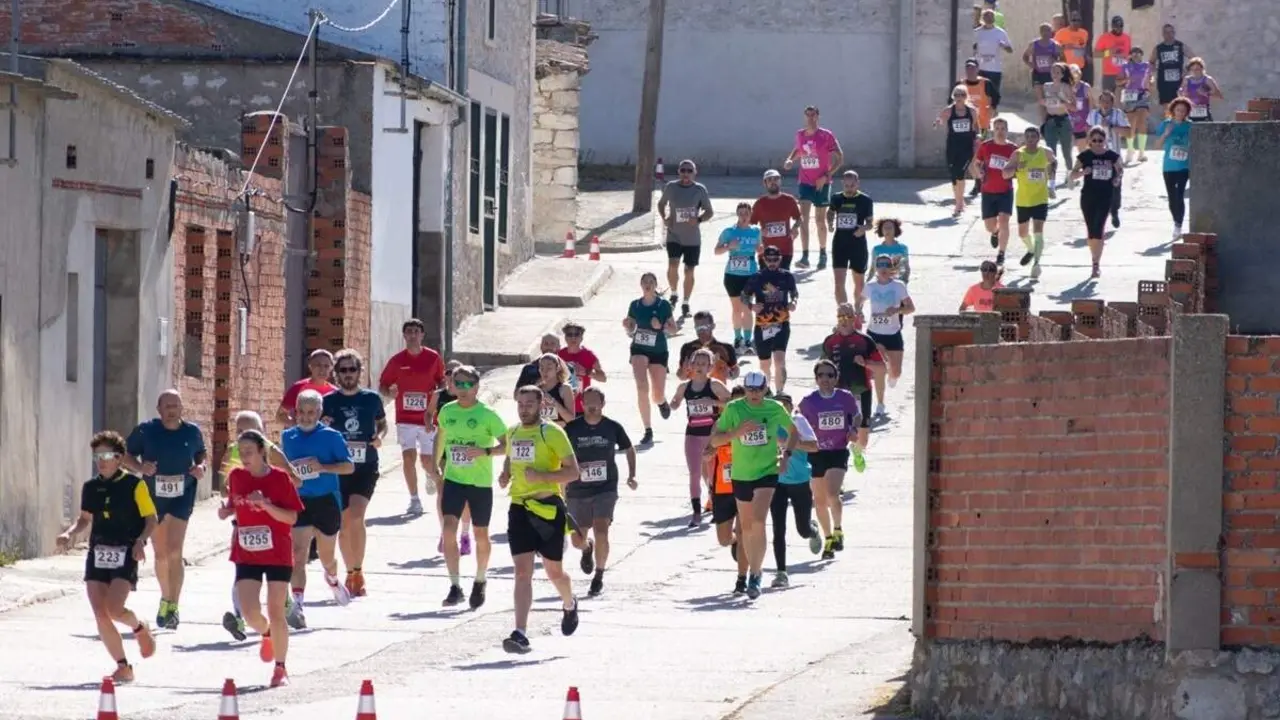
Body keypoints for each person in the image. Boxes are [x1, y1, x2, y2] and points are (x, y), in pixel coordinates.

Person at [57, 431, 158, 683]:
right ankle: (123, 666)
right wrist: (69, 533)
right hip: (98, 551)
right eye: (97, 456)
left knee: (114, 609)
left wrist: (141, 540)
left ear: (120, 458)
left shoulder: (135, 485)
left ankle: (138, 626)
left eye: (107, 455)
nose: (101, 461)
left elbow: (151, 519)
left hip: (126, 550)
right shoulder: (91, 487)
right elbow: (85, 519)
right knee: (100, 613)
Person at [499, 386, 583, 654]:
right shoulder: (512, 432)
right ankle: (520, 633)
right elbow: (511, 460)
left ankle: (569, 604)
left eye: (529, 404)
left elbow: (573, 472)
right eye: (520, 404)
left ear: (540, 405)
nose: (524, 408)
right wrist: (505, 474)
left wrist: (543, 478)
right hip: (519, 507)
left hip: (548, 509)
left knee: (553, 572)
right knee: (522, 573)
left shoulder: (552, 433)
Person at [219, 429, 304, 688]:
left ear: (261, 453)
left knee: (276, 610)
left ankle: (280, 668)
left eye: (249, 452)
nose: (244, 457)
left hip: (278, 551)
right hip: (247, 552)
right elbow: (236, 504)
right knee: (249, 611)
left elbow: (291, 518)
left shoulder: (279, 479)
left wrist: (266, 505)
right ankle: (266, 633)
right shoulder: (236, 477)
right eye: (240, 452)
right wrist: (227, 511)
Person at [123, 389, 207, 631]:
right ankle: (165, 598)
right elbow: (125, 455)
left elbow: (201, 453)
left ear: (182, 409)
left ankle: (173, 606)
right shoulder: (146, 431)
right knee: (161, 553)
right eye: (167, 406)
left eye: (176, 406)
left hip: (182, 493)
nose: (171, 410)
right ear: (159, 410)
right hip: (154, 496)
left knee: (175, 551)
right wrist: (141, 466)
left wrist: (200, 466)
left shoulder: (192, 432)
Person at [710, 371, 796, 600]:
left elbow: (793, 431)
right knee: (747, 529)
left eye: (759, 389)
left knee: (758, 521)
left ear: (766, 388)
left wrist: (786, 455)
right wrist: (736, 432)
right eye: (750, 389)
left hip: (767, 472)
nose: (754, 394)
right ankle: (752, 569)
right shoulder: (734, 409)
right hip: (741, 475)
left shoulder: (775, 408)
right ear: (745, 388)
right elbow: (716, 440)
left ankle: (755, 575)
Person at [434, 364, 508, 610]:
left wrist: (485, 451)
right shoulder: (447, 410)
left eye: (468, 384)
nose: (463, 389)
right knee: (448, 530)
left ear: (476, 387)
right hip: (454, 479)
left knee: (480, 535)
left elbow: (507, 444)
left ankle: (480, 579)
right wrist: (435, 465)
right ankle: (455, 586)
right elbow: (441, 436)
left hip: (479, 483)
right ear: (452, 386)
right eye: (459, 384)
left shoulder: (487, 415)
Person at [280, 389, 355, 629]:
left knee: (326, 557)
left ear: (319, 413)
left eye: (311, 412)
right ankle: (298, 604)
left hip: (326, 500)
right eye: (301, 412)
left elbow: (348, 468)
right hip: (299, 501)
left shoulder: (332, 437)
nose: (306, 417)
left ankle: (332, 579)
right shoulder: (287, 437)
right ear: (295, 412)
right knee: (298, 553)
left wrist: (321, 466)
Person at [322, 349, 387, 598]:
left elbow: (382, 423)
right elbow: (318, 429)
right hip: (339, 469)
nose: (348, 374)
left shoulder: (371, 399)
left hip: (365, 466)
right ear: (336, 373)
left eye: (353, 369)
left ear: (360, 371)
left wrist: (379, 438)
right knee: (344, 523)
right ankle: (350, 573)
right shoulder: (328, 401)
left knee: (356, 517)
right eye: (343, 370)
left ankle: (358, 570)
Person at [565, 387, 637, 597]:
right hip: (577, 489)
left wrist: (632, 475)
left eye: (596, 402)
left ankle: (599, 575)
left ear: (603, 403)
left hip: (605, 488)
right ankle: (587, 548)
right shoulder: (572, 428)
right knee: (577, 540)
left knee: (601, 529)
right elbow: (559, 453)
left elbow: (629, 449)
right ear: (582, 404)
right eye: (588, 402)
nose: (592, 406)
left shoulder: (612, 427)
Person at [378, 318, 446, 517]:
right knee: (408, 457)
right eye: (409, 332)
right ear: (404, 335)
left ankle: (430, 476)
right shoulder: (397, 361)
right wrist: (389, 393)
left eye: (416, 331)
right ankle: (414, 500)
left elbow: (442, 380)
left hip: (427, 417)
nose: (413, 335)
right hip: (405, 417)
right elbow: (383, 385)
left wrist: (437, 393)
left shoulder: (433, 358)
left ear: (422, 335)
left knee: (427, 461)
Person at [798, 361, 863, 561]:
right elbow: (797, 422)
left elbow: (857, 416)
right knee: (819, 501)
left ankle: (838, 530)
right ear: (816, 379)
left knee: (832, 493)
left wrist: (853, 429)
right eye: (821, 376)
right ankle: (828, 540)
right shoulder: (808, 401)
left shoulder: (845, 397)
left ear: (836, 378)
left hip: (837, 451)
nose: (825, 379)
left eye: (829, 375)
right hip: (816, 452)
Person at [670, 348, 731, 526]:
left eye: (704, 364)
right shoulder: (684, 387)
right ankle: (696, 513)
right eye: (697, 363)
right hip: (693, 434)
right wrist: (670, 404)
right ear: (691, 365)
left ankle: (717, 506)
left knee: (712, 474)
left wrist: (713, 402)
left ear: (710, 367)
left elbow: (732, 402)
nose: (699, 367)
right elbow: (675, 403)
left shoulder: (715, 385)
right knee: (695, 474)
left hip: (712, 434)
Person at [769, 392, 822, 588]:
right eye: (778, 406)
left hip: (799, 480)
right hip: (776, 482)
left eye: (785, 406)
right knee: (778, 528)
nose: (782, 410)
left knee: (802, 529)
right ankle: (781, 572)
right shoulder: (769, 421)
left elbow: (814, 446)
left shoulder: (798, 421)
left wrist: (791, 444)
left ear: (791, 408)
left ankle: (812, 530)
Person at [820, 303, 879, 473]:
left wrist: (866, 363)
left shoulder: (864, 340)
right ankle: (837, 469)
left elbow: (882, 367)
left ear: (855, 318)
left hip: (860, 391)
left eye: (847, 316)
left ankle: (857, 451)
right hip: (837, 393)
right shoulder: (830, 341)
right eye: (840, 317)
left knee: (863, 437)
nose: (844, 320)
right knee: (837, 433)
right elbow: (821, 365)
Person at [783, 106, 843, 270]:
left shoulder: (826, 135)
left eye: (813, 115)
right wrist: (790, 159)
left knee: (819, 219)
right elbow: (798, 149)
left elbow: (840, 157)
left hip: (822, 183)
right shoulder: (800, 134)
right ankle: (805, 256)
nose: (810, 118)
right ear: (804, 117)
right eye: (807, 115)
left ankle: (823, 254)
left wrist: (827, 176)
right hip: (805, 182)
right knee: (803, 218)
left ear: (818, 116)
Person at [623, 272, 677, 447]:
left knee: (657, 394)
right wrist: (627, 326)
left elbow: (673, 329)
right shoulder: (635, 305)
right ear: (640, 285)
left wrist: (660, 326)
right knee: (641, 387)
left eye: (651, 282)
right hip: (638, 348)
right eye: (645, 282)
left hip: (658, 351)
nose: (648, 285)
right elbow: (630, 329)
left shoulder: (663, 305)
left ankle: (662, 402)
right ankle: (648, 430)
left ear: (655, 285)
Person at [705, 386, 750, 593]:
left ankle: (741, 579)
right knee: (723, 539)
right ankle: (733, 542)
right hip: (723, 487)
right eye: (735, 403)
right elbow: (709, 449)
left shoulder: (753, 424)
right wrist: (709, 452)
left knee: (744, 534)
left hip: (746, 484)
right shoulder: (720, 425)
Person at [657, 159, 714, 318]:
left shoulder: (700, 189)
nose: (686, 174)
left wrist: (699, 220)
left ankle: (686, 302)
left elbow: (709, 212)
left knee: (689, 270)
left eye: (690, 171)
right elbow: (661, 204)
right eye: (683, 170)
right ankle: (674, 293)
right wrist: (665, 217)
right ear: (678, 172)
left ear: (695, 173)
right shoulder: (671, 187)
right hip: (674, 234)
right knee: (673, 264)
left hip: (692, 238)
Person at [1001, 125, 1057, 278]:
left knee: (1038, 231)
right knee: (1022, 233)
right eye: (1028, 137)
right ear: (1024, 139)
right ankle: (1031, 249)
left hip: (1041, 198)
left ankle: (1037, 264)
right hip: (1024, 199)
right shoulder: (1018, 154)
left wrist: (1052, 186)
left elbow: (1054, 164)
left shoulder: (1046, 152)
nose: (1031, 140)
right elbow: (1005, 174)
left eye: (1034, 137)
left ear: (1039, 138)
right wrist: (1017, 168)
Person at [862, 255, 914, 418]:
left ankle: (892, 375)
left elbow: (911, 308)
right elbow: (859, 301)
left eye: (886, 265)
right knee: (880, 369)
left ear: (891, 268)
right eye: (880, 265)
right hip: (874, 333)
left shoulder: (899, 286)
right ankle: (880, 403)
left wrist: (897, 310)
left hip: (893, 333)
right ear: (876, 268)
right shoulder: (870, 286)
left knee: (895, 372)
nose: (883, 269)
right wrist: (858, 312)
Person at [743, 246, 800, 392]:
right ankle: (766, 391)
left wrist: (793, 302)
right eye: (769, 259)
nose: (772, 262)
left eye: (775, 259)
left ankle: (780, 391)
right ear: (764, 259)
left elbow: (794, 293)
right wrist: (751, 306)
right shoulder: (757, 277)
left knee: (780, 361)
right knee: (764, 364)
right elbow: (744, 295)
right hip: (763, 325)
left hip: (781, 323)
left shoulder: (787, 276)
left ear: (780, 259)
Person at [1071, 125, 1125, 279]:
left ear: (1105, 140)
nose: (1097, 143)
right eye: (1094, 140)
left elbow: (1120, 172)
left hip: (1105, 196)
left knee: (1099, 228)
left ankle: (1096, 264)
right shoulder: (1084, 156)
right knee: (1091, 231)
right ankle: (1093, 257)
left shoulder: (1112, 156)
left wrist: (1116, 179)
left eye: (1100, 140)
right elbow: (1072, 176)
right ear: (1089, 141)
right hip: (1088, 196)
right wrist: (1082, 172)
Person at [715, 203, 762, 353]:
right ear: (737, 214)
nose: (743, 216)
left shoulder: (756, 232)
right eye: (741, 213)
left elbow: (761, 249)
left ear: (750, 215)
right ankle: (737, 338)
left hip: (750, 275)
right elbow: (716, 251)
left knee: (747, 307)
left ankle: (748, 340)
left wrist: (760, 250)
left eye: (746, 213)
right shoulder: (729, 232)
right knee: (736, 309)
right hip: (732, 275)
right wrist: (728, 246)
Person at [970, 117, 1017, 267]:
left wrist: (1014, 171)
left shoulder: (1013, 149)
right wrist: (979, 173)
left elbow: (1018, 166)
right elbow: (977, 163)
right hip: (988, 190)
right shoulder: (986, 146)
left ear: (1007, 130)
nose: (1000, 131)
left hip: (1005, 191)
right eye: (997, 128)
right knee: (990, 226)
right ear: (993, 130)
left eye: (1003, 128)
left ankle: (1001, 254)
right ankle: (995, 232)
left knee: (1004, 220)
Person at [826, 170, 874, 307]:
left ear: (858, 184)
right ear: (842, 184)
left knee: (859, 281)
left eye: (852, 186)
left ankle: (858, 312)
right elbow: (830, 212)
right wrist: (829, 223)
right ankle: (843, 314)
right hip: (840, 243)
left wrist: (863, 229)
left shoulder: (866, 200)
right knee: (839, 281)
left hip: (857, 244)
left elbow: (870, 223)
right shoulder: (836, 198)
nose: (849, 189)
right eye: (846, 186)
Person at [1086, 91, 1130, 230]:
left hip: (1114, 155)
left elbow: (1128, 132)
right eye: (1103, 101)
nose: (1105, 104)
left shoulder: (1118, 114)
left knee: (1115, 185)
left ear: (1112, 103)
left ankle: (1114, 211)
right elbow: (1087, 130)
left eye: (1108, 101)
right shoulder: (1093, 114)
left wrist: (1111, 127)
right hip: (1097, 156)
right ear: (1099, 102)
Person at [935, 84, 979, 215]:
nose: (959, 97)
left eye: (962, 95)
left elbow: (977, 127)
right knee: (954, 175)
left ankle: (959, 204)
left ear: (966, 96)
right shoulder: (948, 111)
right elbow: (940, 121)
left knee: (960, 173)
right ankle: (959, 200)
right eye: (956, 95)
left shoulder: (972, 111)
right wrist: (936, 123)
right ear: (953, 96)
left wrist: (978, 137)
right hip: (952, 146)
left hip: (967, 147)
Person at [1155, 98, 1193, 241]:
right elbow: (1157, 146)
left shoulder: (1190, 126)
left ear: (1187, 112)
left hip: (1184, 167)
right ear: (1173, 110)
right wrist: (1166, 134)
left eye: (1183, 111)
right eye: (1178, 110)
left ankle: (1178, 224)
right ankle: (1176, 220)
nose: (1180, 113)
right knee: (1172, 198)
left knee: (1179, 194)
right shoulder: (1165, 124)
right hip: (1169, 166)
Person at [750, 169, 803, 270]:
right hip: (765, 251)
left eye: (776, 179)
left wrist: (795, 228)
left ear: (780, 181)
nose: (773, 182)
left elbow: (799, 218)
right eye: (769, 180)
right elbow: (750, 225)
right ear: (765, 183)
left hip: (785, 250)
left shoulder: (789, 200)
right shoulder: (760, 203)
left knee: (782, 282)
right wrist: (760, 232)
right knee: (765, 283)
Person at [557, 321, 606, 417]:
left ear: (581, 337)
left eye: (576, 334)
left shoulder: (589, 355)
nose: (573, 338)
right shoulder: (559, 355)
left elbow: (603, 378)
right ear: (565, 337)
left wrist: (587, 372)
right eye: (569, 334)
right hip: (563, 404)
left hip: (582, 405)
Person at [677, 310, 738, 384]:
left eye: (704, 327)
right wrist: (684, 371)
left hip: (718, 392)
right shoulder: (687, 348)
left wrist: (729, 374)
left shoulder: (726, 348)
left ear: (713, 326)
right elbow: (681, 376)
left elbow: (735, 371)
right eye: (698, 327)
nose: (701, 330)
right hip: (694, 391)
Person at [1040, 63, 1076, 186]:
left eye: (1057, 72)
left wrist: (1063, 102)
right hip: (1050, 120)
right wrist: (1045, 104)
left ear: (1062, 74)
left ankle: (1070, 175)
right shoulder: (1046, 86)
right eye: (1053, 72)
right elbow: (1041, 102)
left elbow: (1074, 107)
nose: (1054, 75)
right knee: (1050, 151)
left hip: (1063, 120)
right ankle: (1052, 181)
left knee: (1066, 150)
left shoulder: (1066, 87)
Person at [277, 350, 337, 424]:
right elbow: (280, 415)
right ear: (310, 366)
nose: (322, 369)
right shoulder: (298, 387)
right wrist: (297, 427)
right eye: (318, 365)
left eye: (326, 366)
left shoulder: (334, 391)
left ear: (331, 368)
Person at [1117, 47, 1153, 165]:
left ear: (1142, 55)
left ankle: (1142, 152)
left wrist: (1151, 83)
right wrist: (1127, 79)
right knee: (1130, 124)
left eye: (1139, 53)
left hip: (1142, 95)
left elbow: (1150, 78)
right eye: (1134, 53)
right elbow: (1118, 82)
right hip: (1129, 95)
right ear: (1130, 55)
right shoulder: (1125, 67)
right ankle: (1130, 149)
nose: (1136, 55)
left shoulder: (1146, 66)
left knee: (1142, 122)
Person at [972, 9, 1013, 109]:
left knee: (993, 94)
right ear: (983, 18)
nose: (989, 19)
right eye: (986, 16)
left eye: (991, 16)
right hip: (980, 68)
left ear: (994, 18)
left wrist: (1003, 46)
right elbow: (970, 47)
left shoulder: (1000, 32)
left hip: (994, 69)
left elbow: (1010, 50)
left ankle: (992, 113)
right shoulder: (976, 33)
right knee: (979, 93)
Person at [1024, 22, 1063, 118]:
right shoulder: (1033, 44)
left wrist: (1055, 62)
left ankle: (1051, 117)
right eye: (1043, 31)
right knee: (1041, 99)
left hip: (1051, 75)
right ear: (1040, 32)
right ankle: (1043, 122)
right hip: (1038, 74)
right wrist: (1030, 64)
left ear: (1051, 32)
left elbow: (1063, 60)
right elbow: (1025, 56)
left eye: (1048, 31)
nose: (1046, 33)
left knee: (1051, 98)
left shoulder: (1056, 45)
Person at [1154, 25, 1194, 116]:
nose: (1169, 34)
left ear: (1174, 33)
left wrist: (1186, 70)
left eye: (1171, 32)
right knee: (1167, 107)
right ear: (1163, 34)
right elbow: (1151, 62)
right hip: (1164, 82)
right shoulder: (1159, 48)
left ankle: (1180, 126)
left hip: (1178, 81)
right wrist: (1155, 71)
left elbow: (1193, 58)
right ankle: (1168, 126)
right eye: (1167, 32)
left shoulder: (1180, 46)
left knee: (1181, 104)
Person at [534, 352, 577, 426]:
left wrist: (554, 402)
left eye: (549, 368)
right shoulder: (536, 389)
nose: (545, 371)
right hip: (540, 433)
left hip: (559, 433)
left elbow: (571, 419)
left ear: (557, 368)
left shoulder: (565, 388)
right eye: (542, 368)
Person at [1093, 16, 1131, 93]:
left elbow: (1129, 55)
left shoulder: (1127, 38)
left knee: (1122, 101)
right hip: (1108, 75)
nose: (1119, 29)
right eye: (1116, 26)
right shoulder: (1105, 37)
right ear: (1112, 26)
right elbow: (1096, 54)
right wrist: (1109, 53)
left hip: (1123, 74)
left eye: (1121, 26)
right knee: (1108, 98)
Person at [1179, 58, 1224, 122]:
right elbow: (1180, 92)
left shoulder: (1208, 80)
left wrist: (1207, 93)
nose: (1195, 72)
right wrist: (1183, 94)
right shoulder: (1187, 80)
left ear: (1202, 69)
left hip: (1203, 110)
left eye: (1197, 69)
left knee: (1207, 129)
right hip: (1190, 110)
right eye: (1192, 69)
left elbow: (1219, 96)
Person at [868, 218, 911, 285]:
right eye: (885, 228)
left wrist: (905, 281)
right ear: (881, 230)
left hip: (898, 282)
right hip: (881, 283)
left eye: (890, 228)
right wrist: (867, 284)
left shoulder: (903, 248)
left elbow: (907, 268)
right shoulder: (876, 249)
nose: (887, 230)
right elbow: (873, 269)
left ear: (895, 230)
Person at [1067, 63, 1094, 162]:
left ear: (1080, 74)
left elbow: (1091, 103)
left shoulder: (1085, 86)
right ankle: (1069, 168)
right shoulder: (1065, 87)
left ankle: (1085, 165)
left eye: (1076, 72)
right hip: (1069, 121)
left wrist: (1090, 120)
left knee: (1082, 147)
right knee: (1068, 148)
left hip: (1082, 121)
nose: (1074, 74)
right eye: (1071, 72)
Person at [1054, 13, 1090, 79]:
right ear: (1069, 21)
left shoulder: (1084, 33)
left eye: (1078, 20)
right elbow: (1054, 48)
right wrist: (1065, 47)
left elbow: (1084, 46)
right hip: (1066, 66)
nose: (1076, 22)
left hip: (1080, 66)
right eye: (1074, 20)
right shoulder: (1061, 33)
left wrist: (1087, 55)